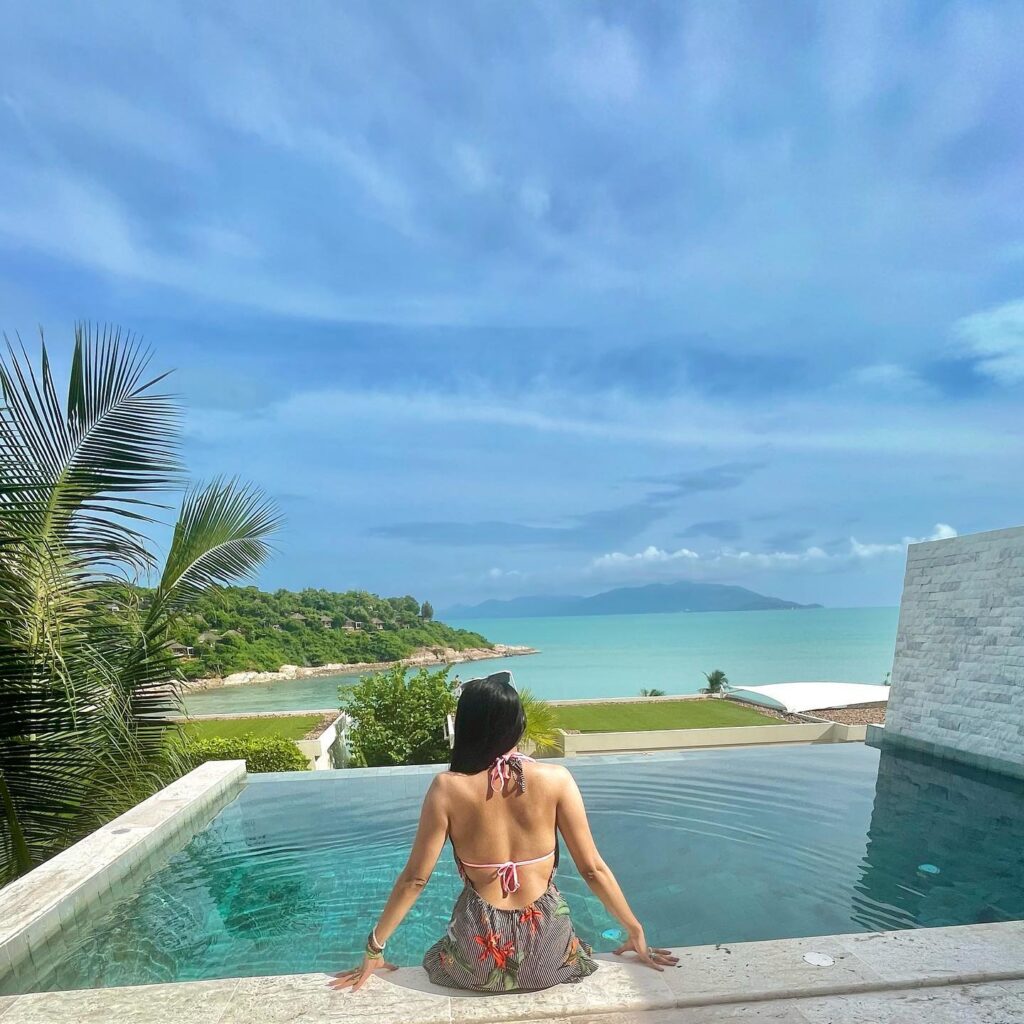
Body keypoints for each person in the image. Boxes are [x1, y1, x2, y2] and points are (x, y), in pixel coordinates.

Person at [331, 671, 676, 993]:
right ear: (517, 725)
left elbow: (414, 880)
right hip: (548, 960)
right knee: (572, 944)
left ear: (466, 727)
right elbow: (592, 869)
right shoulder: (557, 780)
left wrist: (374, 946)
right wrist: (635, 929)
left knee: (441, 952)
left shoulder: (447, 789)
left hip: (478, 964)